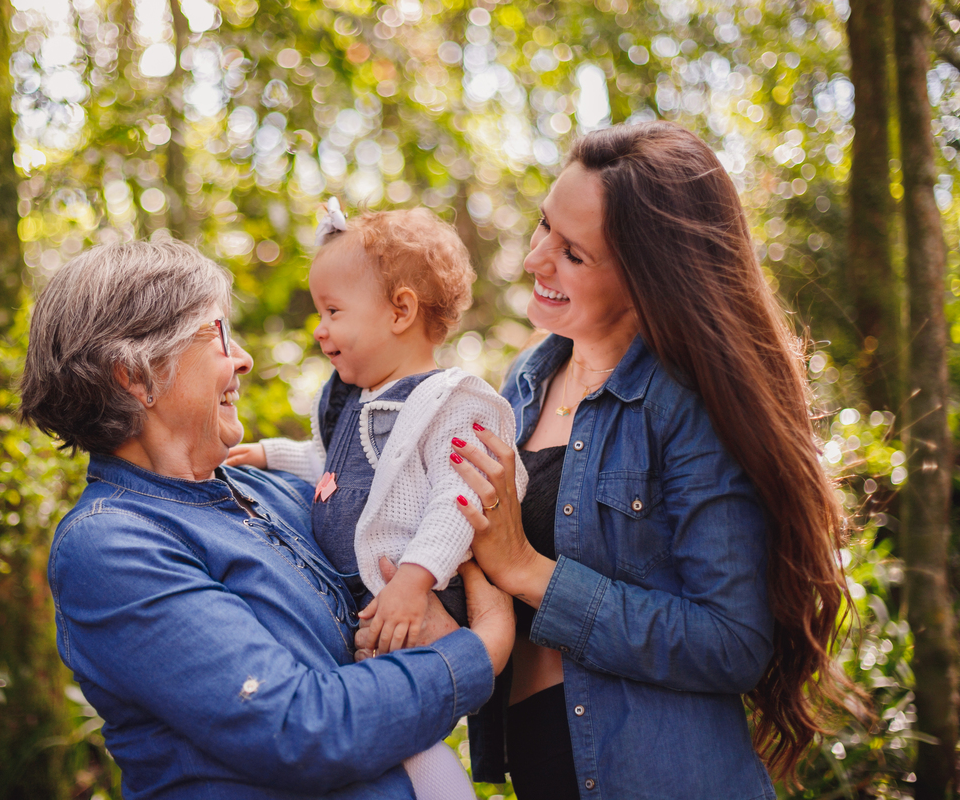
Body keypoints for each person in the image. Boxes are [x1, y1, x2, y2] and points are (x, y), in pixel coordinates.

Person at [364, 121, 854, 799]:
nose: (536, 258)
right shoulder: (522, 386)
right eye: (544, 226)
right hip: (544, 773)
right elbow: (491, 588)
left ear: (648, 277)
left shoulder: (686, 404)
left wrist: (530, 572)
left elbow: (733, 641)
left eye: (573, 254)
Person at [18, 239, 515, 799]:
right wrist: (480, 651)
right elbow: (300, 730)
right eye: (218, 335)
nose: (243, 360)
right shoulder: (111, 543)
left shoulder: (273, 492)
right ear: (135, 375)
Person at [226, 203, 527, 799]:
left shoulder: (452, 401)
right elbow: (330, 467)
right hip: (370, 598)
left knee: (408, 732)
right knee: (387, 738)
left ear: (401, 311)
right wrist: (267, 454)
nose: (319, 329)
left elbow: (459, 496)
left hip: (420, 595)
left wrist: (415, 580)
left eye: (333, 312)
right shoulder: (349, 401)